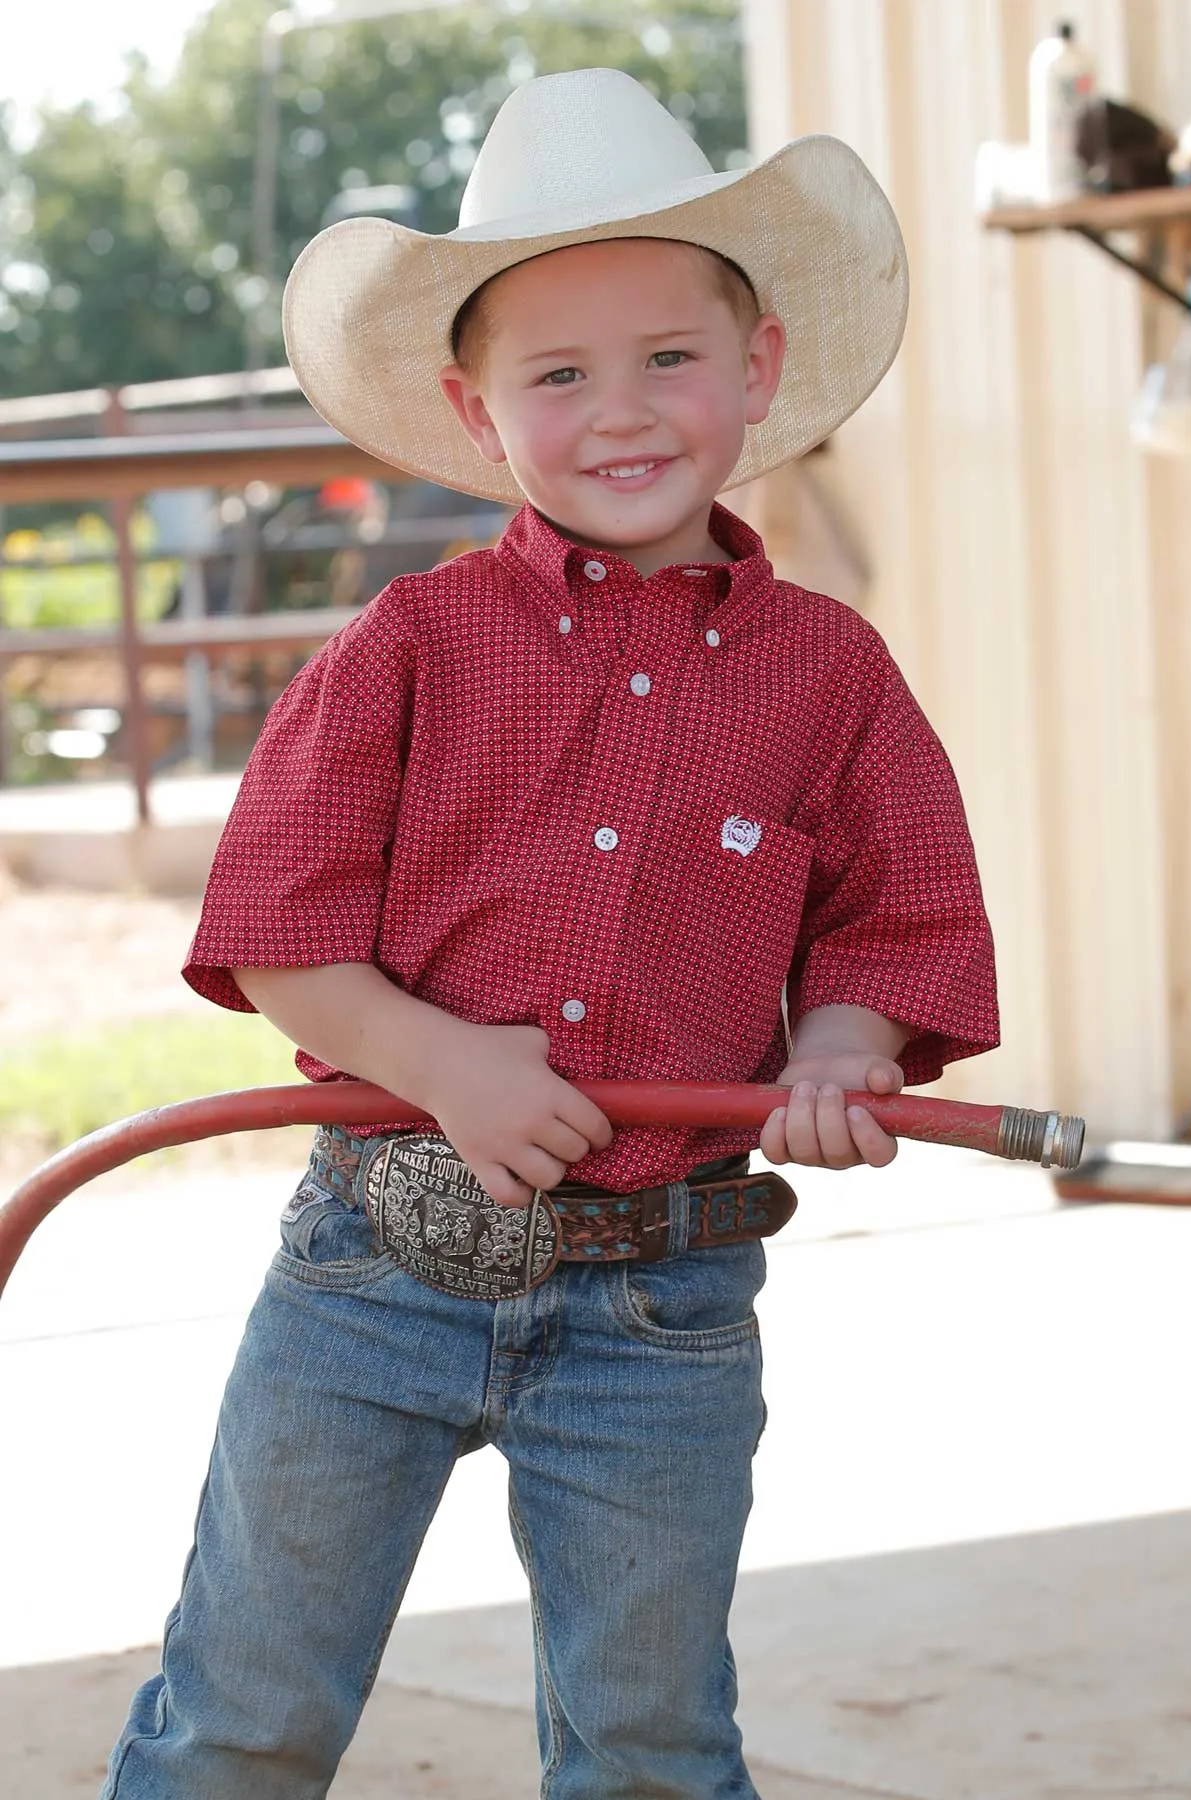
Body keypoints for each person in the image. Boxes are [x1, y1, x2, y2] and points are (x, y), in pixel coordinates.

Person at [101, 67, 998, 1800]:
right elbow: (279, 927)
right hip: (374, 1268)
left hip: (667, 1293)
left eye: (670, 357)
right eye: (559, 375)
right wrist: (439, 1062)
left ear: (757, 370)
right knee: (246, 1715)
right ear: (477, 408)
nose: (625, 412)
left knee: (652, 1746)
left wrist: (840, 1048)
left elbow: (900, 922)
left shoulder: (832, 676)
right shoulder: (410, 646)